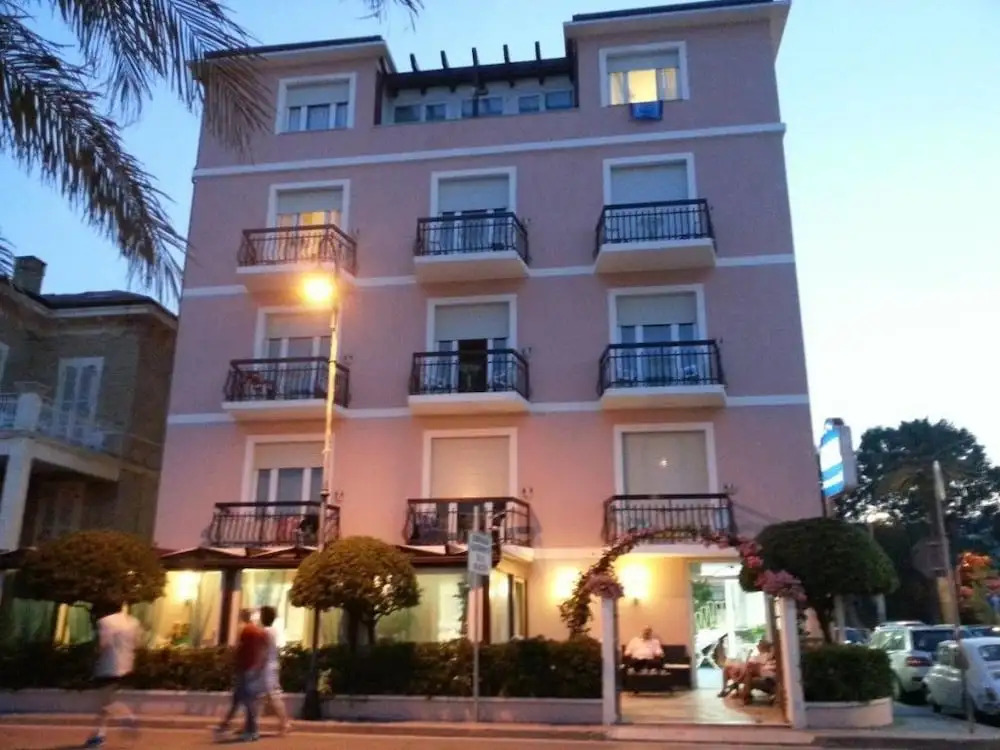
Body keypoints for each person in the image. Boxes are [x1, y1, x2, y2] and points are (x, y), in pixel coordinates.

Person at [84, 602, 141, 748]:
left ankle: (126, 718)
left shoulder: (105, 622)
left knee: (106, 702)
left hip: (108, 667)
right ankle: (99, 735)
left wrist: (92, 661)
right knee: (105, 703)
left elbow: (102, 645)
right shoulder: (133, 622)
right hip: (126, 666)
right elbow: (137, 643)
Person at [214, 608, 267, 742]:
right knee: (239, 698)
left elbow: (240, 649)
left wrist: (233, 661)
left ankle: (251, 730)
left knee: (247, 700)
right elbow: (263, 649)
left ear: (242, 617)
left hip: (245, 668)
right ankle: (225, 725)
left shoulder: (245, 630)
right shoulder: (257, 630)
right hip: (251, 668)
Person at [257, 605, 292, 735]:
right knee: (263, 697)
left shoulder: (266, 632)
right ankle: (250, 724)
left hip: (267, 668)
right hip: (271, 666)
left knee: (273, 696)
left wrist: (257, 665)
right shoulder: (272, 631)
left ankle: (285, 723)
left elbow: (263, 651)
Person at [740, 639, 778, 704]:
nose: (757, 646)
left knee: (749, 671)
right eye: (758, 645)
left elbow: (755, 663)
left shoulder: (767, 655)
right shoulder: (762, 656)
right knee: (749, 672)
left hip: (769, 677)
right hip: (763, 674)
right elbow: (750, 662)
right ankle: (746, 696)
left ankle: (745, 696)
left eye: (760, 645)